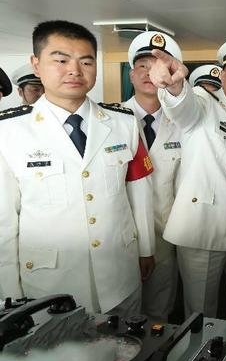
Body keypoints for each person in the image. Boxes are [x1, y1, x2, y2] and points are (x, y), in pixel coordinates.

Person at [0, 20, 155, 317]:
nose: (74, 70)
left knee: (126, 342)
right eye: (60, 60)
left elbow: (139, 191)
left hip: (120, 274)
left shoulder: (123, 122)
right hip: (49, 286)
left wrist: (146, 249)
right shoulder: (8, 132)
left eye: (86, 61)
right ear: (36, 64)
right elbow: (3, 222)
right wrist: (10, 297)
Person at [151, 36, 226, 321]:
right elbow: (183, 108)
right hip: (202, 227)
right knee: (201, 312)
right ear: (222, 74)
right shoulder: (204, 102)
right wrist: (175, 86)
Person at [121, 31, 182, 323]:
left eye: (157, 67)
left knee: (159, 313)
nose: (149, 73)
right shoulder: (112, 120)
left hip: (165, 235)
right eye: (142, 66)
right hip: (122, 233)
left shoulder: (182, 122)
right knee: (121, 313)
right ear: (131, 75)